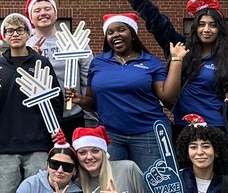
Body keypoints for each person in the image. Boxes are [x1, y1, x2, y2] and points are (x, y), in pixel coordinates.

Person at [121, 0, 228, 139]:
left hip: (217, 128)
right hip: (184, 126)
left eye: (212, 25)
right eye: (201, 25)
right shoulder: (181, 47)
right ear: (195, 27)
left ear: (220, 29)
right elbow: (157, 21)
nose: (206, 30)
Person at [0, 12, 65, 193]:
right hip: (5, 143)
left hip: (37, 142)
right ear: (4, 36)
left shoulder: (41, 63)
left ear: (29, 34)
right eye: (9, 30)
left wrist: (54, 130)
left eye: (20, 30)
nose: (15, 34)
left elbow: (56, 99)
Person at [66, 13, 183, 171]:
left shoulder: (150, 61)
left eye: (121, 30)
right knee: (114, 185)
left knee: (154, 183)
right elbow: (93, 103)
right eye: (110, 32)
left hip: (148, 134)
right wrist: (80, 100)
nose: (116, 35)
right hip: (111, 135)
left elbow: (169, 97)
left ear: (132, 34)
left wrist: (176, 61)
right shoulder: (98, 63)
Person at [26, 0, 86, 136]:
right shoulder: (26, 45)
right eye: (37, 10)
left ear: (56, 14)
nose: (43, 13)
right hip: (39, 117)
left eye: (47, 9)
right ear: (31, 17)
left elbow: (87, 77)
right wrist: (31, 59)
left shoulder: (74, 41)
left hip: (72, 115)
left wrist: (88, 111)